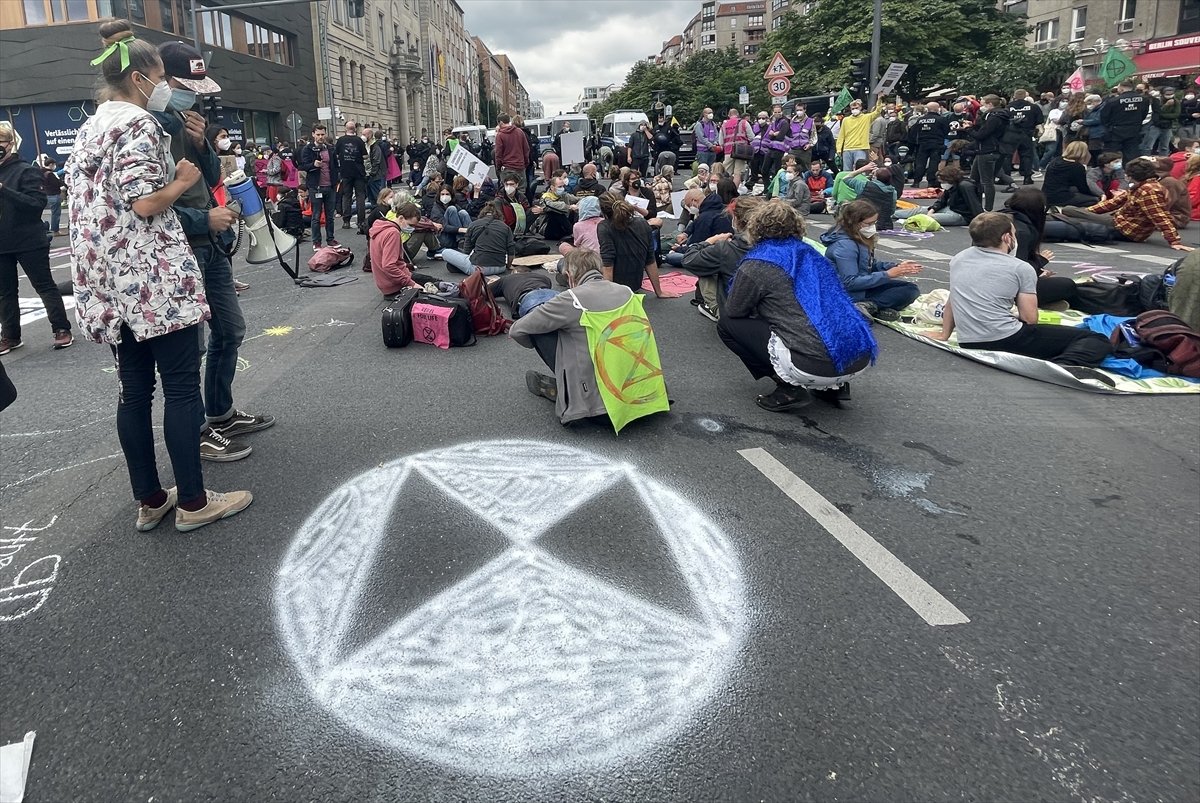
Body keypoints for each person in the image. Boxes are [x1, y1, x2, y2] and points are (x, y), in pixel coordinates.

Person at [67, 18, 251, 531]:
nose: (166, 89)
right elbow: (145, 201)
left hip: (106, 278)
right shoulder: (138, 124)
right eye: (161, 79)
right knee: (180, 388)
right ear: (145, 76)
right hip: (150, 277)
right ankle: (194, 502)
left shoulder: (91, 126)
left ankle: (150, 499)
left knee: (133, 391)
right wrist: (183, 179)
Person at [154, 40, 271, 459]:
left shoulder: (186, 119)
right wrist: (204, 220)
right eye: (184, 84)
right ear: (159, 78)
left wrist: (202, 144)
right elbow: (147, 207)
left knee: (230, 330)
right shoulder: (151, 125)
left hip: (210, 242)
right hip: (183, 246)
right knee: (192, 347)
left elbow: (207, 177)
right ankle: (201, 428)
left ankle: (219, 412)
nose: (192, 95)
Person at [719, 201, 879, 411]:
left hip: (812, 365)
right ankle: (834, 387)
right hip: (858, 357)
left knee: (727, 324)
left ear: (754, 228)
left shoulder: (757, 263)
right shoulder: (813, 254)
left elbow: (735, 310)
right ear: (798, 226)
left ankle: (788, 387)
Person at [929, 213, 1112, 369]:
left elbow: (953, 300)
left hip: (967, 339)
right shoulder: (1021, 268)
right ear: (1007, 238)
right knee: (1096, 339)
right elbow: (1029, 319)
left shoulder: (959, 259)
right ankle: (1063, 366)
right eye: (1014, 234)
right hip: (1004, 337)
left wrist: (944, 334)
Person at [511, 248, 666, 424]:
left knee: (542, 330)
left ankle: (571, 391)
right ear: (599, 269)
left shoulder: (571, 299)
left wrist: (563, 343)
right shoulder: (627, 292)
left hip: (601, 411)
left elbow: (517, 330)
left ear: (569, 275)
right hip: (643, 397)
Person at [0, 122, 73, 355]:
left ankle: (61, 329)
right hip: (1, 243)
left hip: (29, 239)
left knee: (44, 285)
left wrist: (3, 189)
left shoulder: (26, 170)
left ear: (10, 145)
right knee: (5, 292)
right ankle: (10, 336)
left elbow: (36, 204)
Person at [1059, 158, 1192, 251]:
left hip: (1125, 229)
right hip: (1122, 222)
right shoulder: (1142, 186)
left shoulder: (1148, 190)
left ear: (1131, 175)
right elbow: (1112, 203)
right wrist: (1087, 212)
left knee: (1069, 210)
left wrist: (1174, 241)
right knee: (1074, 214)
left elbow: (1160, 216)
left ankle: (1054, 216)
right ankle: (1056, 216)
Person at [820, 199, 921, 321]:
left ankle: (872, 307)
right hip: (844, 293)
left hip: (861, 287)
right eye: (868, 224)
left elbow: (868, 264)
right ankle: (868, 306)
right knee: (904, 292)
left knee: (911, 289)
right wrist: (887, 275)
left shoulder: (858, 237)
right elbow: (849, 282)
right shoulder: (845, 246)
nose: (872, 227)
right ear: (854, 222)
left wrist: (896, 267)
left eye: (874, 222)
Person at [680, 195, 762, 320]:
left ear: (736, 219)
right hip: (768, 311)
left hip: (737, 313)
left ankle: (716, 309)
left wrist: (710, 241)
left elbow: (689, 260)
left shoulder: (727, 248)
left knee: (704, 265)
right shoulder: (777, 244)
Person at [1001, 187, 1079, 308]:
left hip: (988, 281)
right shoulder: (1022, 231)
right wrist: (1040, 262)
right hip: (1006, 289)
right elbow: (1018, 270)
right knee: (1068, 285)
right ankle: (1030, 303)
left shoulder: (1002, 218)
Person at [596, 193, 678, 297]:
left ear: (603, 212)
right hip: (635, 285)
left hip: (617, 287)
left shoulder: (604, 227)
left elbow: (608, 264)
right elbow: (650, 260)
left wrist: (610, 297)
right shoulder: (642, 223)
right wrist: (659, 292)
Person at [963, 94, 1011, 212]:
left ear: (989, 104)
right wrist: (973, 126)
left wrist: (968, 129)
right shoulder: (998, 115)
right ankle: (976, 205)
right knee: (975, 179)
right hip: (990, 150)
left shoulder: (994, 117)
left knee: (986, 181)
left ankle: (987, 208)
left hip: (987, 150)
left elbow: (982, 135)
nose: (981, 106)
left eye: (983, 103)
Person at [441, 200, 515, 276]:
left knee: (445, 252)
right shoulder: (506, 227)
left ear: (482, 214)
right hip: (500, 267)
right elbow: (511, 251)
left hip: (479, 268)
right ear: (499, 215)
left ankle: (460, 268)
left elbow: (467, 250)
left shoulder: (473, 224)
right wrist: (508, 266)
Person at [297, 124, 340, 250]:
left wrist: (336, 180)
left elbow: (335, 165)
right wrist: (313, 165)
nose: (321, 137)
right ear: (313, 134)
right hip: (316, 187)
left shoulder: (330, 148)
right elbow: (302, 165)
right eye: (318, 134)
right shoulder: (308, 149)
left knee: (330, 215)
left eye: (322, 134)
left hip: (330, 186)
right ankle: (317, 242)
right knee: (316, 215)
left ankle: (330, 239)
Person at [368, 200, 423, 295]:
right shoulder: (393, 233)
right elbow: (388, 266)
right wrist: (411, 284)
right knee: (436, 285)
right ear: (401, 218)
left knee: (431, 281)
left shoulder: (381, 227)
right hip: (394, 285)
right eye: (411, 225)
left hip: (386, 282)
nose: (412, 228)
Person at [911, 164, 983, 227]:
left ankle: (911, 220)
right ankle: (899, 214)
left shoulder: (965, 186)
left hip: (962, 215)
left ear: (949, 179)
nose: (942, 184)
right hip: (951, 209)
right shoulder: (952, 184)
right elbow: (942, 200)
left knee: (929, 218)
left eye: (943, 182)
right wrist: (933, 209)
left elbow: (974, 205)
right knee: (920, 210)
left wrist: (980, 221)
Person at [1100, 81, 1149, 164]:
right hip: (1134, 130)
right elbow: (1144, 114)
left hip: (1115, 132)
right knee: (1132, 156)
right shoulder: (1144, 99)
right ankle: (1134, 173)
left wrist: (1109, 126)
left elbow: (1104, 117)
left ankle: (1112, 175)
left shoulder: (1113, 101)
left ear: (1121, 89)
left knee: (1111, 156)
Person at [1042, 140, 1101, 208]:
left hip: (1046, 194)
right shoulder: (1077, 167)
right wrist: (1096, 195)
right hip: (1061, 197)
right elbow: (1083, 187)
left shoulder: (1056, 160)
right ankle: (1063, 207)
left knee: (1074, 190)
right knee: (1094, 200)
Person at [334, 119, 368, 233]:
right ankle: (361, 221)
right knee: (360, 196)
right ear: (355, 129)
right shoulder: (359, 141)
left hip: (345, 172)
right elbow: (365, 156)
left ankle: (346, 221)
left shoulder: (341, 141)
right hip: (358, 171)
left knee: (346, 196)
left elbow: (337, 154)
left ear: (345, 129)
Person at [907, 101, 951, 189]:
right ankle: (931, 181)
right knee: (934, 163)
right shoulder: (941, 119)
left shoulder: (921, 119)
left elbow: (913, 131)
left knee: (920, 163)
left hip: (922, 144)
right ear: (937, 109)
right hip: (936, 143)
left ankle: (916, 181)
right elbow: (947, 130)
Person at [835, 95, 884, 172]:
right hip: (847, 149)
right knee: (846, 172)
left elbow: (877, 111)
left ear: (861, 108)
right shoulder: (846, 120)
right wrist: (838, 149)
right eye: (853, 108)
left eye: (856, 108)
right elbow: (841, 136)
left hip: (861, 149)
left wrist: (879, 100)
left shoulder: (866, 118)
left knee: (860, 170)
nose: (854, 110)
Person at [1005, 89, 1043, 186]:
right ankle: (1027, 178)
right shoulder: (1033, 107)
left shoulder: (1008, 107)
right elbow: (1039, 122)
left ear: (1014, 96)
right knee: (1026, 156)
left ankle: (1006, 178)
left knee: (1008, 156)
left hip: (1011, 133)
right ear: (1025, 96)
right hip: (1026, 133)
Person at [719, 108, 755, 185]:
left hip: (728, 151)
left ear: (729, 115)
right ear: (738, 114)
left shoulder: (724, 125)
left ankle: (725, 189)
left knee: (726, 173)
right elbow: (751, 137)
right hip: (741, 152)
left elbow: (720, 142)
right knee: (737, 173)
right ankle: (734, 191)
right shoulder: (744, 123)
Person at [38, 155, 64, 235]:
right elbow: (56, 184)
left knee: (53, 212)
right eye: (53, 164)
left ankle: (52, 229)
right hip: (54, 195)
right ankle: (55, 230)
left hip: (47, 194)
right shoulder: (50, 174)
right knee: (56, 213)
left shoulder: (41, 172)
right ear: (51, 164)